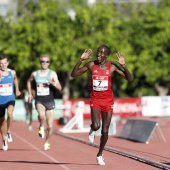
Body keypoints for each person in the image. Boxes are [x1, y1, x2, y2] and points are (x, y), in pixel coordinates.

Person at [71, 45, 133, 165]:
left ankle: (99, 154)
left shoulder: (112, 67)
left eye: (101, 53)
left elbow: (129, 79)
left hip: (108, 101)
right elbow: (73, 74)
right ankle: (92, 129)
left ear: (106, 56)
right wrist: (80, 60)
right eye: (97, 52)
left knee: (105, 130)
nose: (98, 54)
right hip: (96, 100)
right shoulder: (91, 65)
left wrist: (124, 65)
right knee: (96, 125)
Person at [27, 54, 62, 151]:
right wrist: (30, 94)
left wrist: (53, 83)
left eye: (47, 61)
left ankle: (47, 142)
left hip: (50, 100)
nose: (44, 63)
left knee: (50, 126)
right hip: (39, 100)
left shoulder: (52, 73)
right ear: (40, 62)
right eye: (43, 61)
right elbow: (29, 82)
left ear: (49, 63)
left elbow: (60, 87)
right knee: (41, 115)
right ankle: (41, 126)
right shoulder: (35, 74)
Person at [0, 55, 21, 151]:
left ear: (7, 63)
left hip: (10, 98)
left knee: (10, 113)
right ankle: (4, 139)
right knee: (1, 122)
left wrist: (17, 89)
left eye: (4, 63)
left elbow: (15, 78)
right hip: (0, 101)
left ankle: (8, 132)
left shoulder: (12, 72)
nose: (3, 65)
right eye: (1, 63)